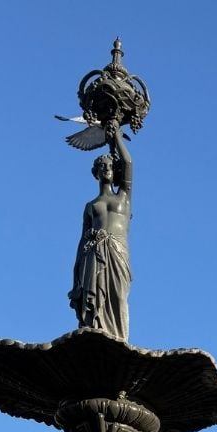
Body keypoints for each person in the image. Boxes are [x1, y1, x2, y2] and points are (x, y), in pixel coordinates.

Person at [69, 123, 133, 343]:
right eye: (102, 166)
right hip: (91, 254)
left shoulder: (123, 198)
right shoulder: (90, 206)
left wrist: (116, 136)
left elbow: (128, 162)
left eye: (109, 166)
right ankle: (95, 330)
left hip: (116, 253)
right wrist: (76, 272)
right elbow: (81, 239)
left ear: (115, 172)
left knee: (117, 297)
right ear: (96, 173)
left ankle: (119, 340)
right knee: (94, 299)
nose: (106, 169)